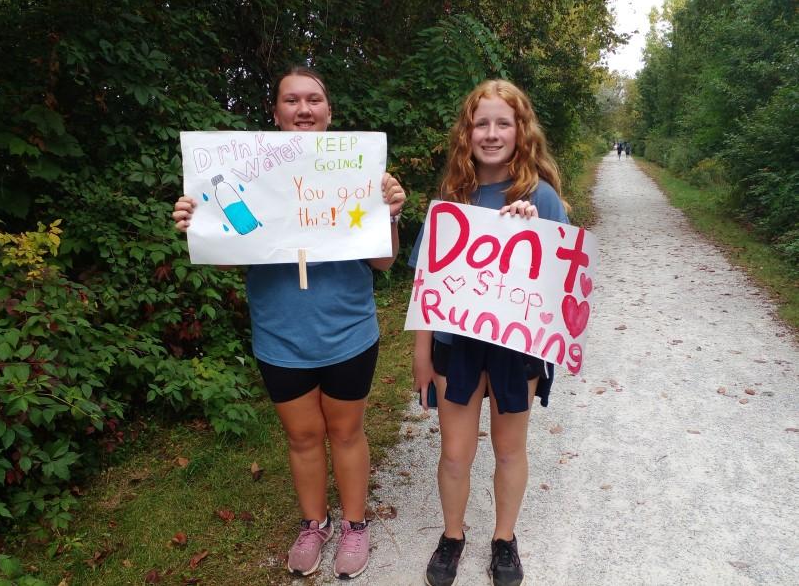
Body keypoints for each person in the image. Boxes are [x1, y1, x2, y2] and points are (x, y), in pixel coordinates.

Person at [172, 66, 406, 580]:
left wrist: (389, 213)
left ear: (329, 112)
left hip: (347, 331)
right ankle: (313, 524)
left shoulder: (358, 170)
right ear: (275, 113)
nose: (303, 109)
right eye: (292, 100)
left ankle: (355, 526)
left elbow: (383, 261)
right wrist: (200, 225)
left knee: (346, 432)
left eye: (313, 99)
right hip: (280, 335)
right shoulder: (249, 172)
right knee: (302, 437)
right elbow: (230, 258)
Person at [409, 79, 568, 586]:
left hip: (516, 349)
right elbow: (426, 281)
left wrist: (532, 230)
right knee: (455, 453)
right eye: (482, 124)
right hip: (455, 346)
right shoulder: (451, 197)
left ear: (521, 131)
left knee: (509, 449)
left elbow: (560, 284)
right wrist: (421, 353)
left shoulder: (541, 197)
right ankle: (452, 535)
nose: (492, 133)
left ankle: (504, 538)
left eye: (504, 123)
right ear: (467, 132)